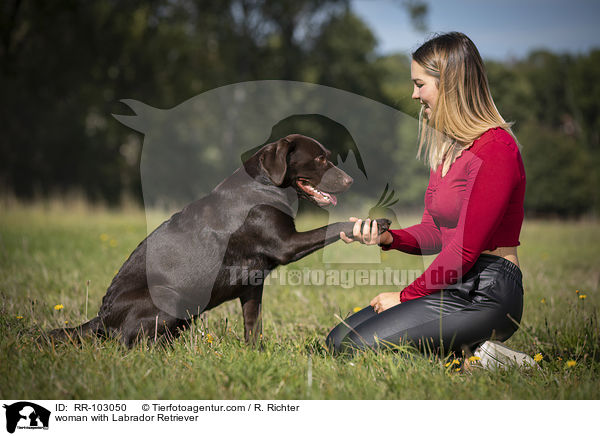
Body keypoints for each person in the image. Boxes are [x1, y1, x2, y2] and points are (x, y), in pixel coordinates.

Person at [327, 32, 534, 366]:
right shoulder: (449, 150)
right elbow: (434, 232)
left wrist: (405, 297)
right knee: (337, 341)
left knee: (356, 349)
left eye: (419, 84)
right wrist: (387, 237)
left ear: (449, 83)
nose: (413, 94)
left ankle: (485, 359)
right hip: (454, 282)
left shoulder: (496, 148)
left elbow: (466, 248)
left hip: (488, 291)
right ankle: (472, 355)